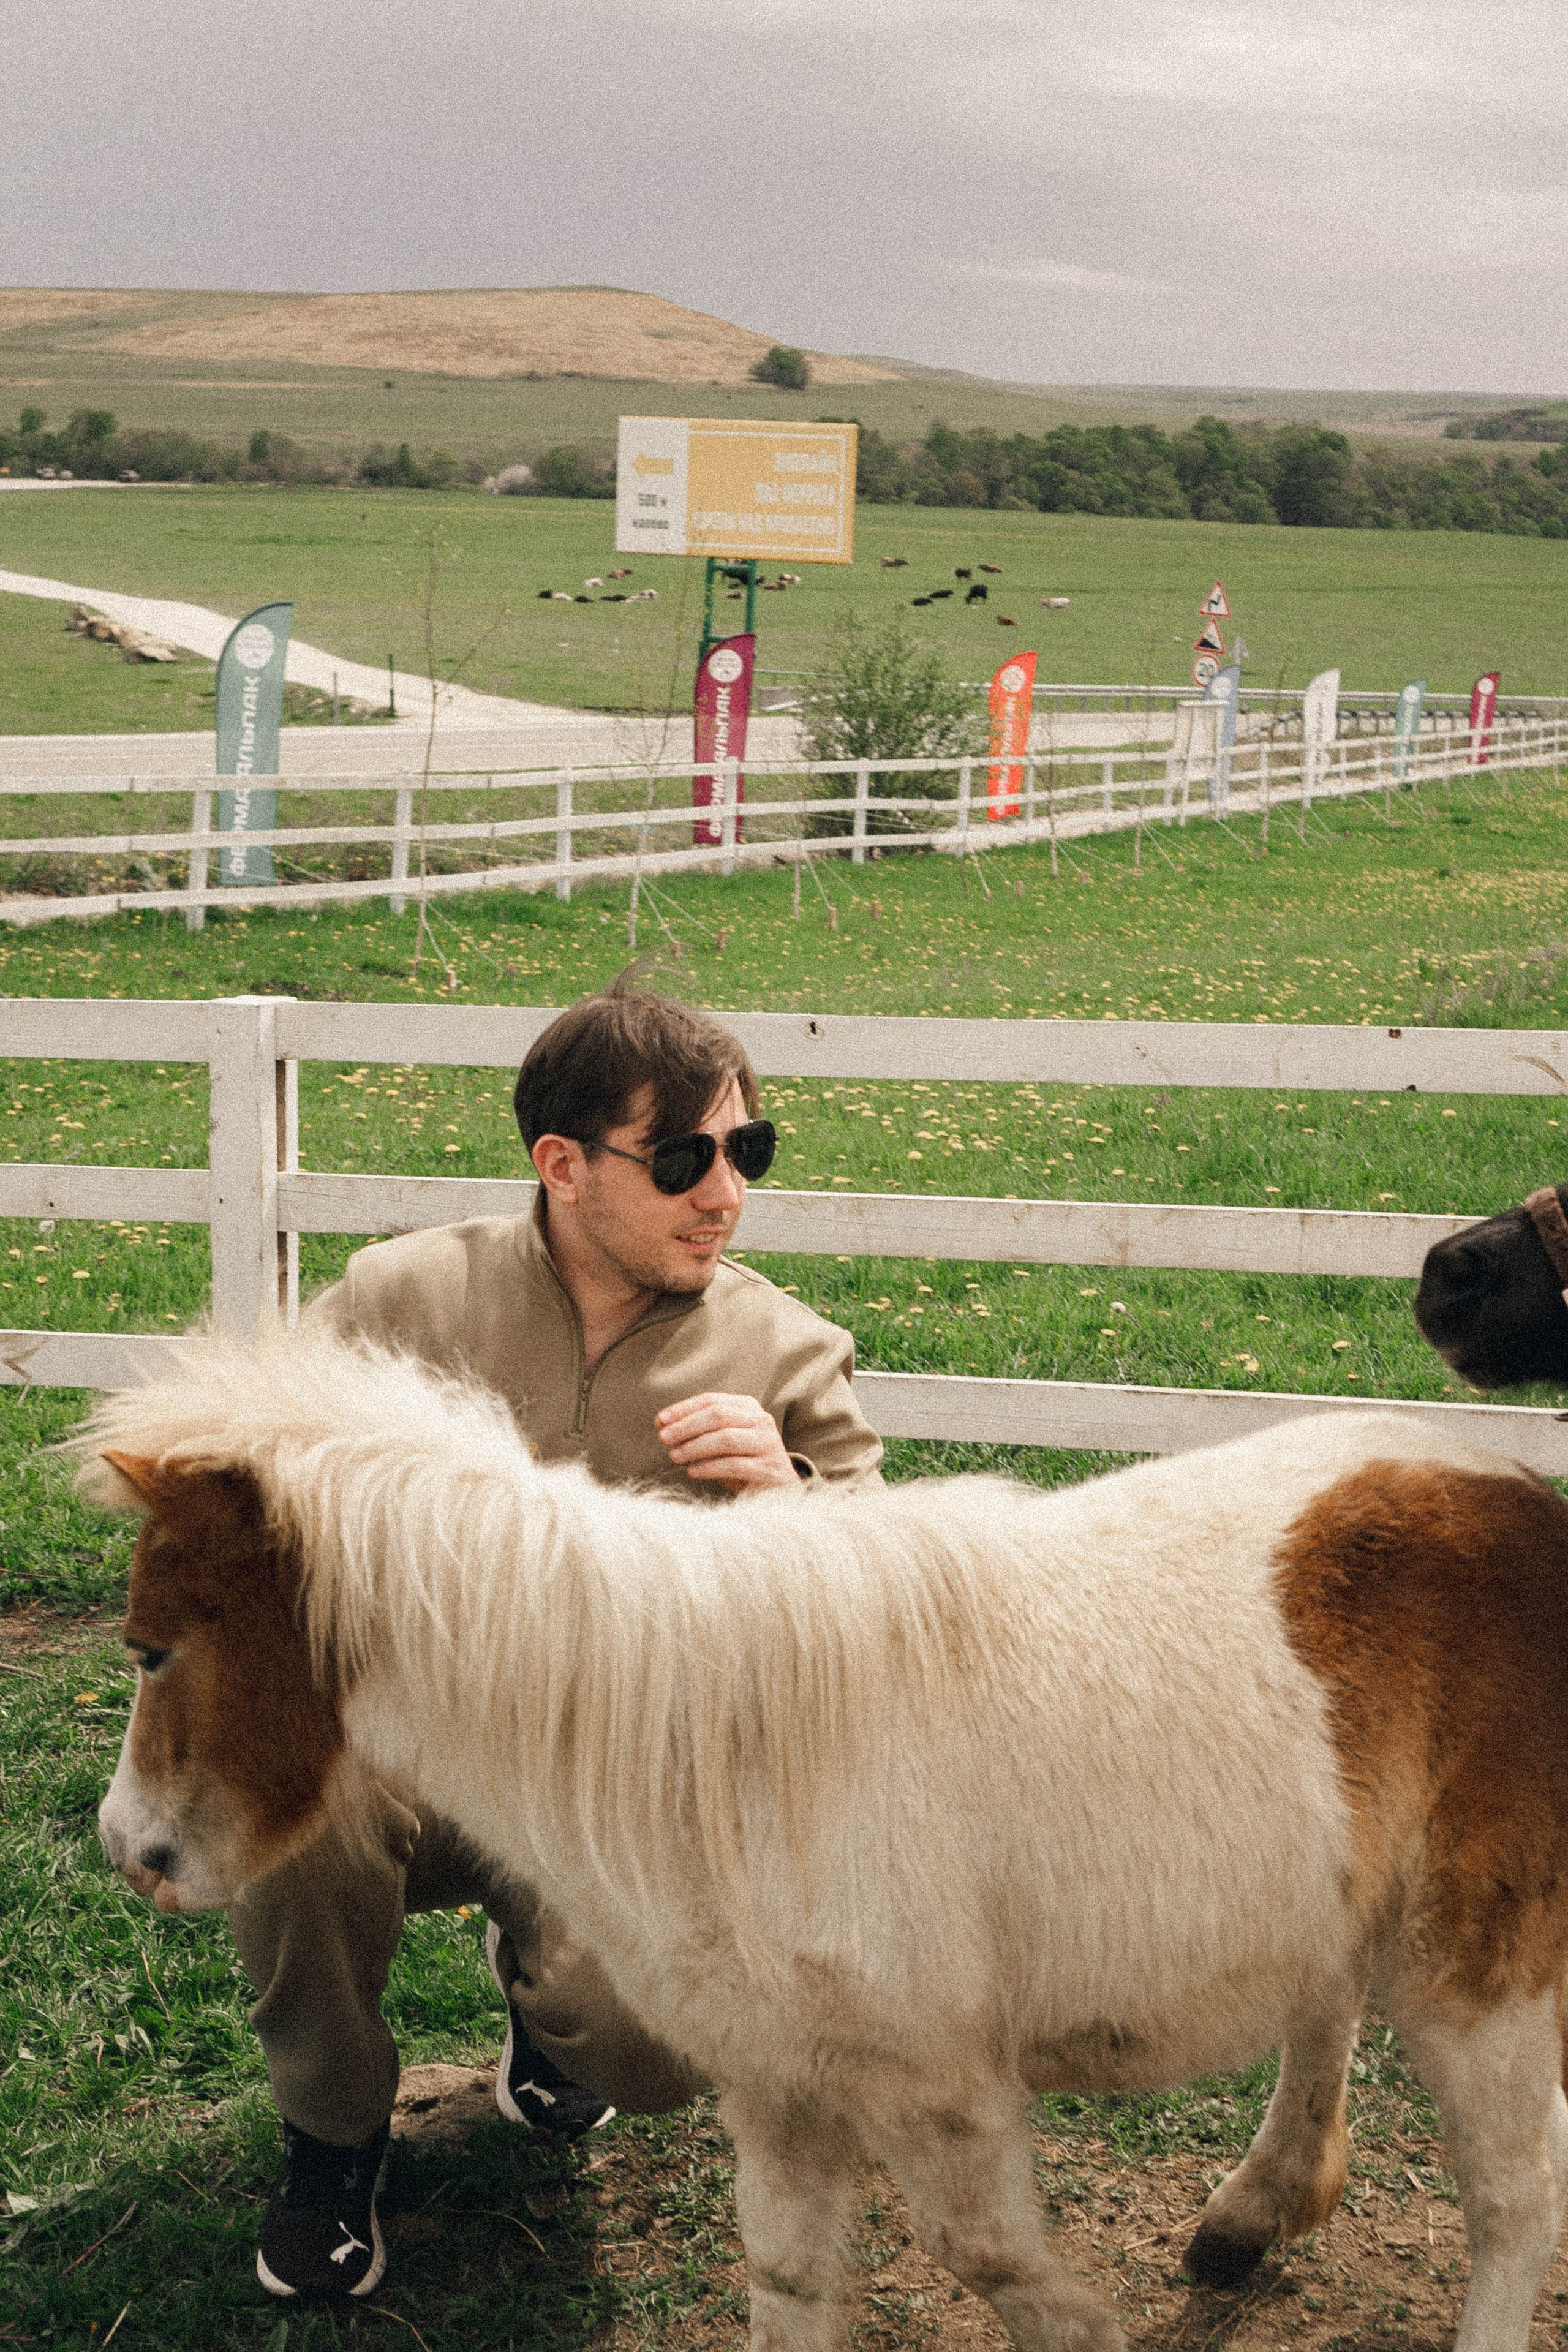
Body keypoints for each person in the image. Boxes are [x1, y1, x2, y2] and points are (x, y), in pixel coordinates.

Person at [241, 979, 884, 2302]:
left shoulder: (782, 1352)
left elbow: (881, 1596)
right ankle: (331, 2138)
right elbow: (251, 1488)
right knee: (298, 1821)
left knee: (647, 2055)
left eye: (747, 1151)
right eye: (682, 1159)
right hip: (409, 1744)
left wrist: (794, 1496)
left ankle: (550, 2008)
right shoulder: (401, 1299)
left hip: (614, 1788)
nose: (724, 1194)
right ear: (563, 1165)